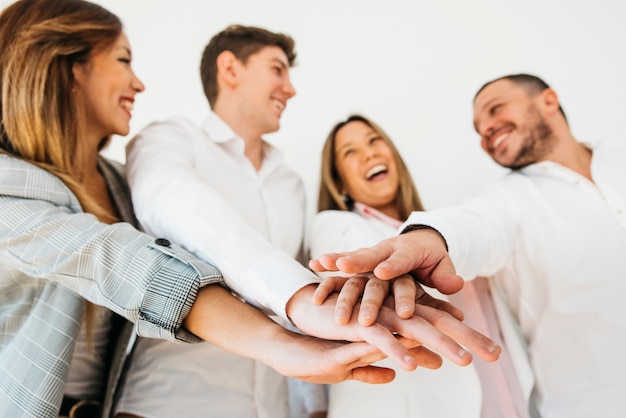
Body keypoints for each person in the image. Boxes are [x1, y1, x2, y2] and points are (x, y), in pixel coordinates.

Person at [0, 2, 445, 417]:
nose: (139, 82)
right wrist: (294, 305)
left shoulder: (121, 183)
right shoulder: (167, 142)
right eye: (123, 60)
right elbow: (123, 257)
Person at [118, 25, 501, 418]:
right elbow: (179, 207)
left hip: (271, 407)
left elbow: (322, 289)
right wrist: (296, 295)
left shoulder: (291, 186)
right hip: (169, 403)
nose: (290, 89)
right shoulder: (169, 140)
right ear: (231, 68)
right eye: (277, 70)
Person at [310, 74, 626, 418]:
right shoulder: (503, 201)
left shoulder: (616, 160)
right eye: (350, 152)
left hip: (507, 402)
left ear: (549, 101)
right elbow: (472, 226)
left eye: (495, 109)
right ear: (339, 180)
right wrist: (428, 238)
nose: (486, 130)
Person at [308, 114, 532, 418]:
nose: (369, 153)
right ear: (340, 183)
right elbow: (348, 254)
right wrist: (376, 270)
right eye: (350, 152)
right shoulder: (335, 223)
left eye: (375, 141)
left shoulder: (445, 228)